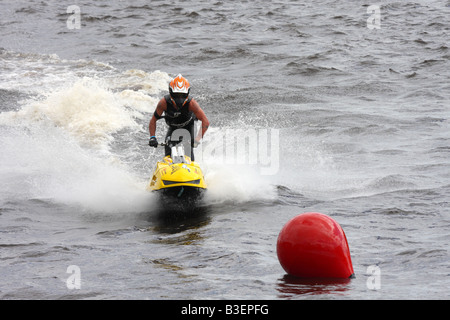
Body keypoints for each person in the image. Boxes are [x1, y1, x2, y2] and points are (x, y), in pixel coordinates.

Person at [148, 74, 210, 161]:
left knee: (188, 148)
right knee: (168, 146)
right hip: (173, 127)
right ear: (170, 93)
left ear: (187, 93)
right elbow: (153, 120)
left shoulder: (192, 104)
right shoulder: (163, 103)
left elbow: (205, 121)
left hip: (189, 126)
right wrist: (152, 137)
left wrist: (197, 140)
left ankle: (191, 167)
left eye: (182, 95)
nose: (179, 99)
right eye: (176, 95)